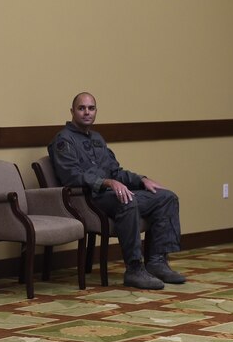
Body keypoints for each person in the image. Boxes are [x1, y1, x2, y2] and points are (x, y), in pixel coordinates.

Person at [48, 92, 185, 290]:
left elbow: (116, 171)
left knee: (165, 197)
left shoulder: (97, 139)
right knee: (127, 201)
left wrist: (142, 180)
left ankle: (157, 262)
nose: (87, 112)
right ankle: (134, 269)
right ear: (72, 111)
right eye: (81, 108)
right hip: (88, 199)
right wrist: (107, 183)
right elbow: (71, 177)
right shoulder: (64, 140)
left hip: (111, 195)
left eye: (91, 108)